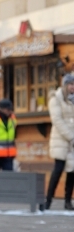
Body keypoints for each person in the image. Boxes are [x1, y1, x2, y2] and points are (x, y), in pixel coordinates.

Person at [45, 73, 74, 210]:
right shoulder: (55, 99)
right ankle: (48, 201)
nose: (73, 87)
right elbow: (57, 120)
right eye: (71, 84)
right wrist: (71, 137)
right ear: (65, 85)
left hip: (72, 142)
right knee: (58, 170)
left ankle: (68, 201)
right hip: (61, 140)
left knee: (72, 171)